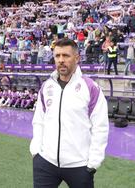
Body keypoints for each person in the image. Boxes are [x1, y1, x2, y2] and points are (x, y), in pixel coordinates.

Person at [30, 38, 109, 188]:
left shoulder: (90, 88)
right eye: (57, 56)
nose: (61, 60)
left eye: (66, 56)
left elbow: (100, 127)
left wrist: (93, 162)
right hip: (46, 162)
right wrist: (36, 151)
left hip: (79, 165)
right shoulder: (47, 87)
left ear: (77, 58)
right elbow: (39, 121)